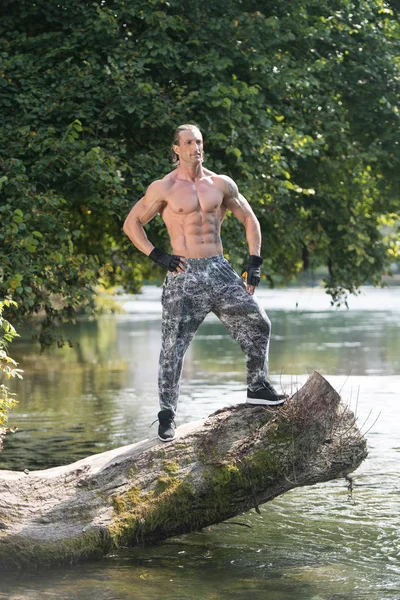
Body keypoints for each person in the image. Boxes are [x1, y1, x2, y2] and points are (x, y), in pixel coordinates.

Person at [123, 124, 286, 442]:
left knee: (259, 323)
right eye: (188, 142)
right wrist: (158, 256)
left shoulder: (221, 184)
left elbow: (249, 219)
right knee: (172, 347)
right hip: (183, 275)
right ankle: (167, 415)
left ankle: (257, 386)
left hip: (219, 269)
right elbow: (132, 224)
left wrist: (254, 262)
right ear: (177, 149)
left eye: (198, 141)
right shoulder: (164, 188)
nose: (195, 147)